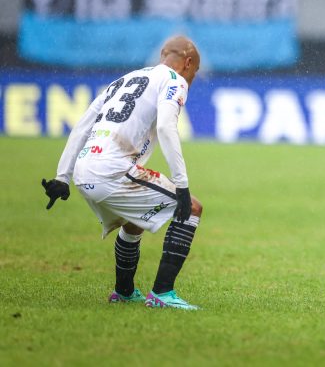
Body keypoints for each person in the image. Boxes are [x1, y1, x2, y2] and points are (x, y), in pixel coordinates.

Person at [40, 35, 203, 310]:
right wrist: (182, 184)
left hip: (84, 171)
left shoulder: (125, 79)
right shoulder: (174, 80)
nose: (193, 78)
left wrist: (61, 177)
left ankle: (124, 292)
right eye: (194, 72)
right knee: (192, 209)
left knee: (134, 220)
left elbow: (82, 127)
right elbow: (165, 127)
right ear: (187, 63)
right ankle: (162, 294)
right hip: (111, 171)